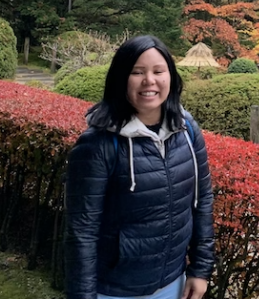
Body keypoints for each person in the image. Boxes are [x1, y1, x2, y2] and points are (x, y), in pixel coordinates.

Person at [64, 35, 215, 299]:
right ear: (120, 78)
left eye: (158, 71)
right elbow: (82, 232)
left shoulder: (186, 129)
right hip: (115, 290)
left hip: (173, 283)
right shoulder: (98, 143)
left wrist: (200, 270)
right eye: (137, 72)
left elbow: (202, 201)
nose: (149, 81)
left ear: (171, 76)